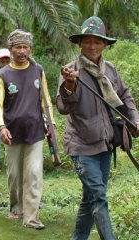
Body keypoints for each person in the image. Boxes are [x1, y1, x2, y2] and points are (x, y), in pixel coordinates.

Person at [57, 16, 139, 240]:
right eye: (87, 41)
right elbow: (63, 107)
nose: (92, 46)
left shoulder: (110, 70)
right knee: (99, 198)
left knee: (90, 199)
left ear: (105, 45)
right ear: (80, 44)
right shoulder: (71, 71)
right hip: (81, 146)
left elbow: (124, 95)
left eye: (97, 42)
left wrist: (135, 118)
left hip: (105, 144)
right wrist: (71, 85)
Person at [0, 30, 55, 229]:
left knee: (34, 173)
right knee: (14, 176)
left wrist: (51, 125)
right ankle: (16, 206)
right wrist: (0, 127)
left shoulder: (38, 70)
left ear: (30, 49)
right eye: (17, 47)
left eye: (25, 47)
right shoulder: (2, 75)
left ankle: (31, 218)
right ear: (10, 50)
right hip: (11, 134)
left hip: (35, 131)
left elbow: (46, 100)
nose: (21, 51)